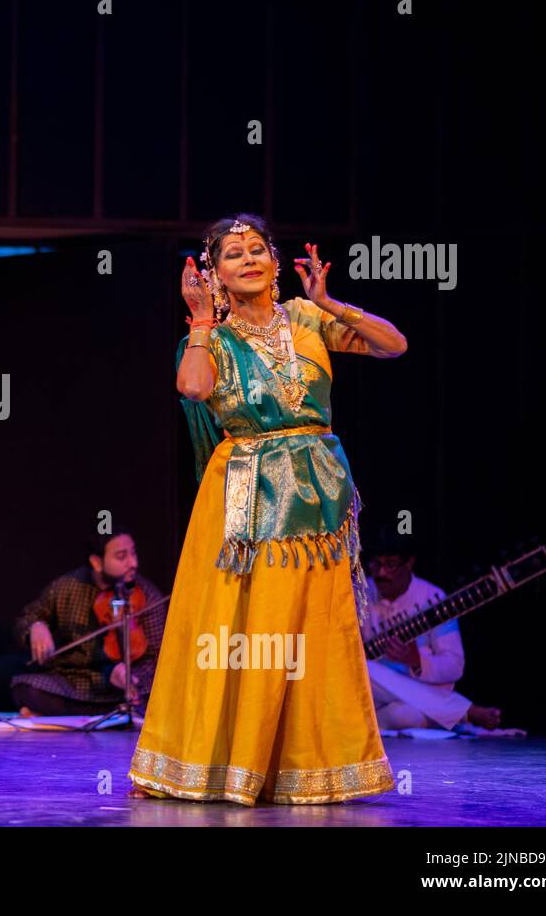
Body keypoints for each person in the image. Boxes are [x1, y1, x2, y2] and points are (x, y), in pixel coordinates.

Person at [129, 214, 409, 805]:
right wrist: (203, 321)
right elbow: (194, 388)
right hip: (245, 500)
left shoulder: (306, 320)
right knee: (249, 632)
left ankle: (305, 766)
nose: (249, 259)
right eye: (233, 254)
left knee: (314, 630)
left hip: (318, 498)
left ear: (276, 262)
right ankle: (234, 764)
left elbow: (394, 345)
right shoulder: (212, 338)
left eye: (258, 249)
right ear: (215, 273)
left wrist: (331, 302)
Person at [361, 529, 505, 731]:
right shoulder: (358, 594)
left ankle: (362, 728)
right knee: (362, 668)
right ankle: (464, 712)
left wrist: (416, 661)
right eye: (376, 564)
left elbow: (454, 666)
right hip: (369, 694)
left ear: (409, 563)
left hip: (412, 697)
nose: (381, 573)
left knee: (406, 716)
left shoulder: (433, 598)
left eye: (390, 564)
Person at [11, 529, 166, 717]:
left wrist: (130, 677)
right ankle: (116, 714)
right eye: (121, 556)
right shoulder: (66, 587)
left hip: (130, 685)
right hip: (78, 682)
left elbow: (158, 656)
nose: (133, 563)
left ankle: (85, 714)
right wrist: (36, 627)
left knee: (161, 693)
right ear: (97, 562)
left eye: (133, 553)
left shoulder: (147, 594)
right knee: (25, 688)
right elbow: (27, 618)